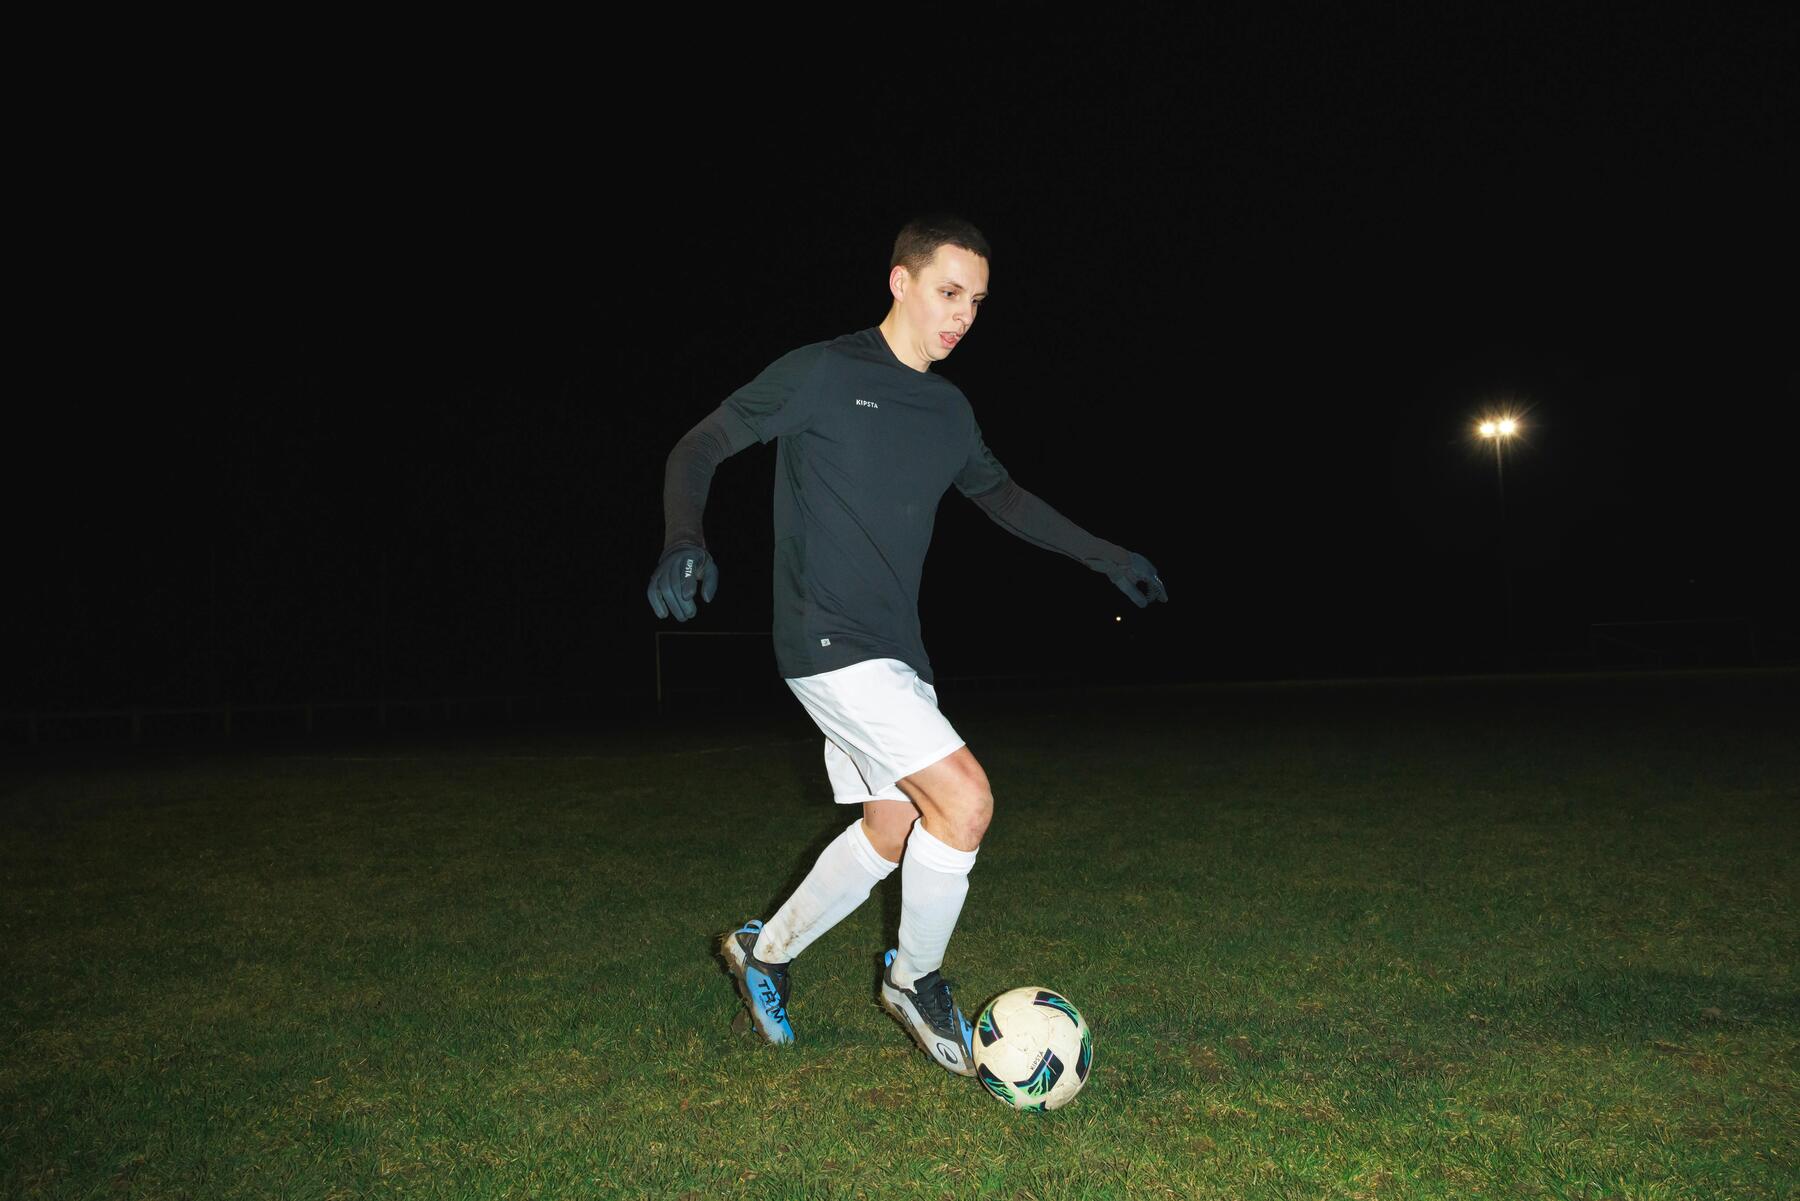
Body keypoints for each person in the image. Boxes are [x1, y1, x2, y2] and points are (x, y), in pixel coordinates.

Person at [647, 214, 1167, 1076]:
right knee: (964, 801)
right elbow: (700, 443)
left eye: (978, 301)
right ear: (901, 281)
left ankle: (764, 952)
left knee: (892, 827)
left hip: (894, 652)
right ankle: (912, 979)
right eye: (948, 292)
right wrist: (681, 536)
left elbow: (1005, 499)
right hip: (824, 638)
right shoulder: (823, 370)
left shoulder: (948, 409)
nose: (963, 315)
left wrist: (1106, 556)